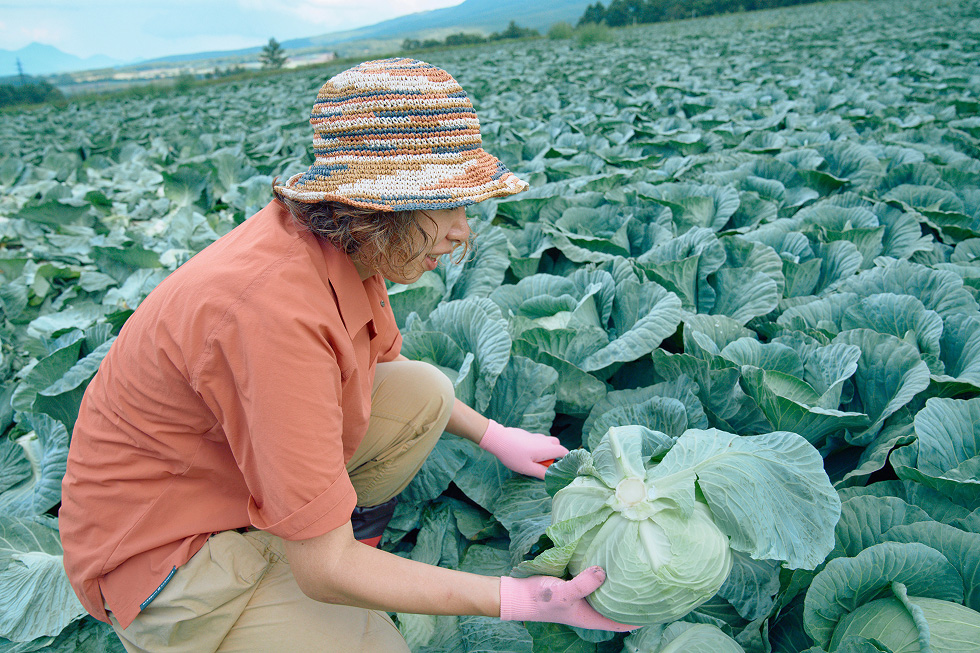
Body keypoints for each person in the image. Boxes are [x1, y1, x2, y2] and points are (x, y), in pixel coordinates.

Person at [60, 57, 633, 652]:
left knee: (424, 392)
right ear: (374, 206)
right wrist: (521, 598)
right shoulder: (272, 313)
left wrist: (494, 435)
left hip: (227, 469)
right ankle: (282, 577)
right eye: (446, 204)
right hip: (162, 550)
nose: (465, 231)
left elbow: (383, 368)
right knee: (375, 645)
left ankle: (316, 542)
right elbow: (325, 572)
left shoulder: (348, 243)